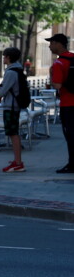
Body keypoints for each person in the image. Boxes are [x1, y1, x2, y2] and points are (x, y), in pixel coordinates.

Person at [47, 33, 74, 173]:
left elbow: (57, 85)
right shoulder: (72, 58)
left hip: (68, 104)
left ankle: (72, 164)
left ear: (59, 44)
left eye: (51, 43)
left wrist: (51, 75)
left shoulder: (58, 63)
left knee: (70, 135)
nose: (49, 46)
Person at [0, 47, 25, 173]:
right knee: (14, 133)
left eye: (4, 56)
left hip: (11, 106)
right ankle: (17, 160)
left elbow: (3, 90)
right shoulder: (17, 69)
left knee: (13, 134)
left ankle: (18, 163)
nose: (3, 58)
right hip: (15, 105)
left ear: (8, 57)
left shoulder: (11, 72)